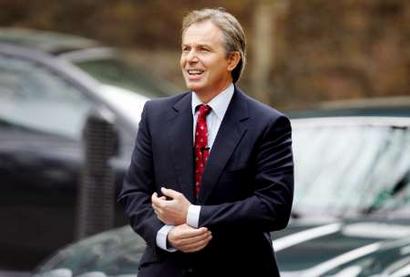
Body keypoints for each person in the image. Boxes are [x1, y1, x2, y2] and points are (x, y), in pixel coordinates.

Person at [118, 7, 294, 277]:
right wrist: (166, 234)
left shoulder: (267, 124)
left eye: (203, 50)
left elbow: (273, 207)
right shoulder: (156, 115)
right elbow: (133, 194)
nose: (190, 59)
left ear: (232, 60)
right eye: (185, 49)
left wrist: (193, 214)